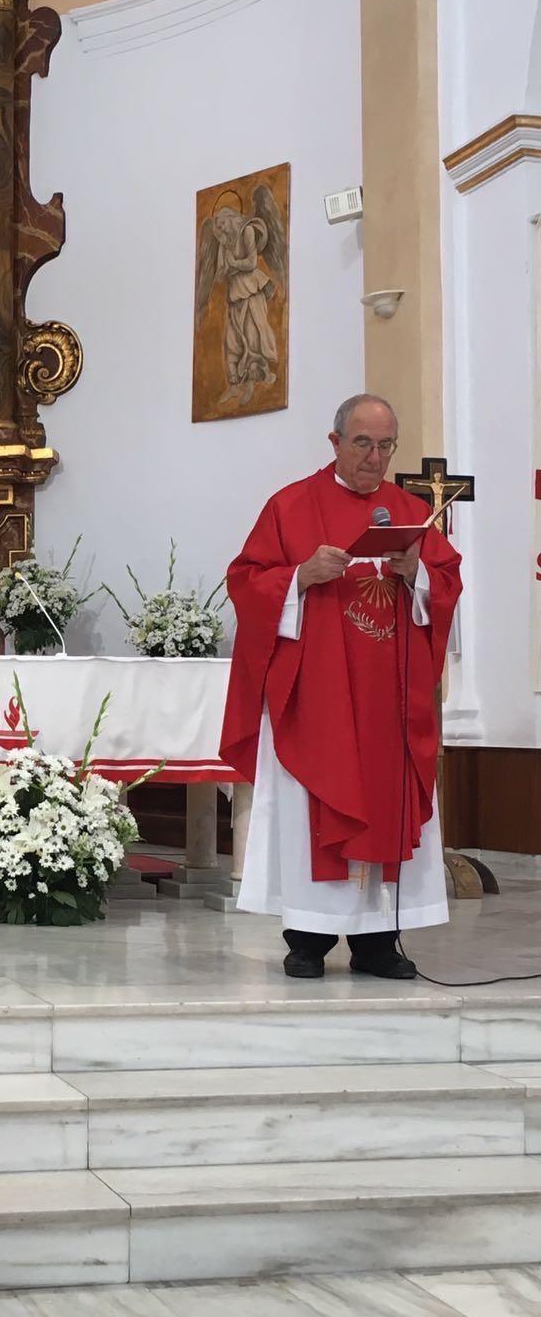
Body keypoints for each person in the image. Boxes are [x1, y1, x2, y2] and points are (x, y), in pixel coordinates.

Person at [219, 394, 462, 980]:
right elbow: (245, 580)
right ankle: (307, 937)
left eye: (385, 446)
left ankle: (379, 942)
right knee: (315, 804)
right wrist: (300, 578)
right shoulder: (291, 505)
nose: (374, 457)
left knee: (385, 804)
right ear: (335, 443)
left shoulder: (409, 512)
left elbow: (449, 582)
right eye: (362, 443)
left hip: (389, 703)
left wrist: (420, 575)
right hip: (319, 698)